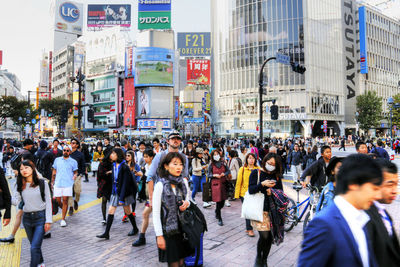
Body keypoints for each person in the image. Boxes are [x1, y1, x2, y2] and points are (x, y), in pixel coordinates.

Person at [298, 154, 383, 267]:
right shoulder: (323, 225)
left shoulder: (366, 218)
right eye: (373, 188)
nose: (377, 195)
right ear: (353, 184)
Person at [152, 152, 193, 266]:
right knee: (174, 263)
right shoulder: (160, 185)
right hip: (168, 231)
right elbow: (155, 213)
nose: (179, 167)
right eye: (175, 164)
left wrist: (187, 203)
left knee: (181, 262)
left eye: (180, 164)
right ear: (166, 166)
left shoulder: (183, 182)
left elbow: (188, 199)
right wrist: (159, 236)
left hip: (183, 229)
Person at [248, 153, 284, 267]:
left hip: (272, 212)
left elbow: (281, 193)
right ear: (265, 161)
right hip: (259, 210)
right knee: (264, 236)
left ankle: (264, 259)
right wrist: (262, 185)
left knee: (269, 238)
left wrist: (272, 191)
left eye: (273, 164)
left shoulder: (276, 176)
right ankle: (259, 257)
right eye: (269, 163)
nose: (271, 166)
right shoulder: (256, 173)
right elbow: (251, 190)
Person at [15, 160, 52, 267]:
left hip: (40, 218)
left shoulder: (42, 183)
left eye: (26, 168)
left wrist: (48, 221)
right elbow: (17, 201)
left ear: (32, 168)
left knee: (34, 247)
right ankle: (40, 262)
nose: (24, 171)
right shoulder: (20, 184)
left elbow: (48, 202)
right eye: (21, 169)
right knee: (34, 245)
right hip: (26, 219)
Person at [96, 148, 138, 240]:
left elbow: (125, 184)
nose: (111, 155)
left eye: (113, 153)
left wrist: (122, 198)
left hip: (124, 193)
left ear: (118, 155)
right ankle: (106, 233)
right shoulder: (113, 165)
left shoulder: (124, 167)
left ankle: (135, 228)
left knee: (128, 211)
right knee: (111, 211)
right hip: (115, 192)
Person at [366, 159, 400, 267]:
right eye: (390, 185)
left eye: (396, 184)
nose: (395, 190)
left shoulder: (381, 212)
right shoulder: (363, 217)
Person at [132, 148, 155, 247]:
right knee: (145, 214)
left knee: (147, 214)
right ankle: (142, 237)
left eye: (147, 157)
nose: (145, 158)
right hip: (149, 197)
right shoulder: (146, 166)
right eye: (144, 156)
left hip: (155, 197)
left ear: (152, 157)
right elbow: (146, 178)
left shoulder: (155, 167)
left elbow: (151, 179)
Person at [51, 145, 78, 227]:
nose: (65, 152)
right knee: (58, 200)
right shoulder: (57, 160)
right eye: (64, 150)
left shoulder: (73, 161)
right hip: (58, 183)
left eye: (67, 150)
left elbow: (75, 171)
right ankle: (64, 209)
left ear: (69, 152)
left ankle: (63, 219)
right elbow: (54, 170)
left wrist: (75, 175)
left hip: (68, 183)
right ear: (62, 151)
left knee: (65, 200)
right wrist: (52, 180)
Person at [234, 153, 260, 237]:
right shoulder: (243, 169)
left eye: (253, 158)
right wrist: (237, 195)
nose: (251, 160)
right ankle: (249, 229)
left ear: (255, 160)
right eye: (249, 158)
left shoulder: (258, 169)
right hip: (244, 194)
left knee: (252, 210)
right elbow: (238, 182)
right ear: (246, 160)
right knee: (248, 211)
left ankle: (249, 227)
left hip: (255, 193)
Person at [208, 149, 231, 226]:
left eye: (217, 154)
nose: (216, 156)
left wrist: (223, 174)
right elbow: (208, 175)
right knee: (218, 201)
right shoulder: (211, 165)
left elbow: (228, 171)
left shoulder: (223, 163)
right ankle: (219, 218)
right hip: (215, 185)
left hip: (224, 184)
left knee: (223, 201)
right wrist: (214, 175)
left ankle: (217, 211)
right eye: (214, 154)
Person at [69, 138, 86, 215]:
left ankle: (76, 201)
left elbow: (83, 165)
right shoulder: (67, 153)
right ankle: (71, 207)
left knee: (77, 191)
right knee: (69, 192)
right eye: (71, 142)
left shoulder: (80, 154)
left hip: (77, 175)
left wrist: (81, 173)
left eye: (74, 143)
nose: (72, 144)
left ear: (77, 145)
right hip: (68, 175)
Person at [96, 152, 113, 225]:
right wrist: (108, 172)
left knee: (111, 201)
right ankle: (104, 218)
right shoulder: (102, 164)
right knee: (104, 200)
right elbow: (100, 174)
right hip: (104, 184)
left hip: (112, 184)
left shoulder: (115, 164)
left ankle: (110, 215)